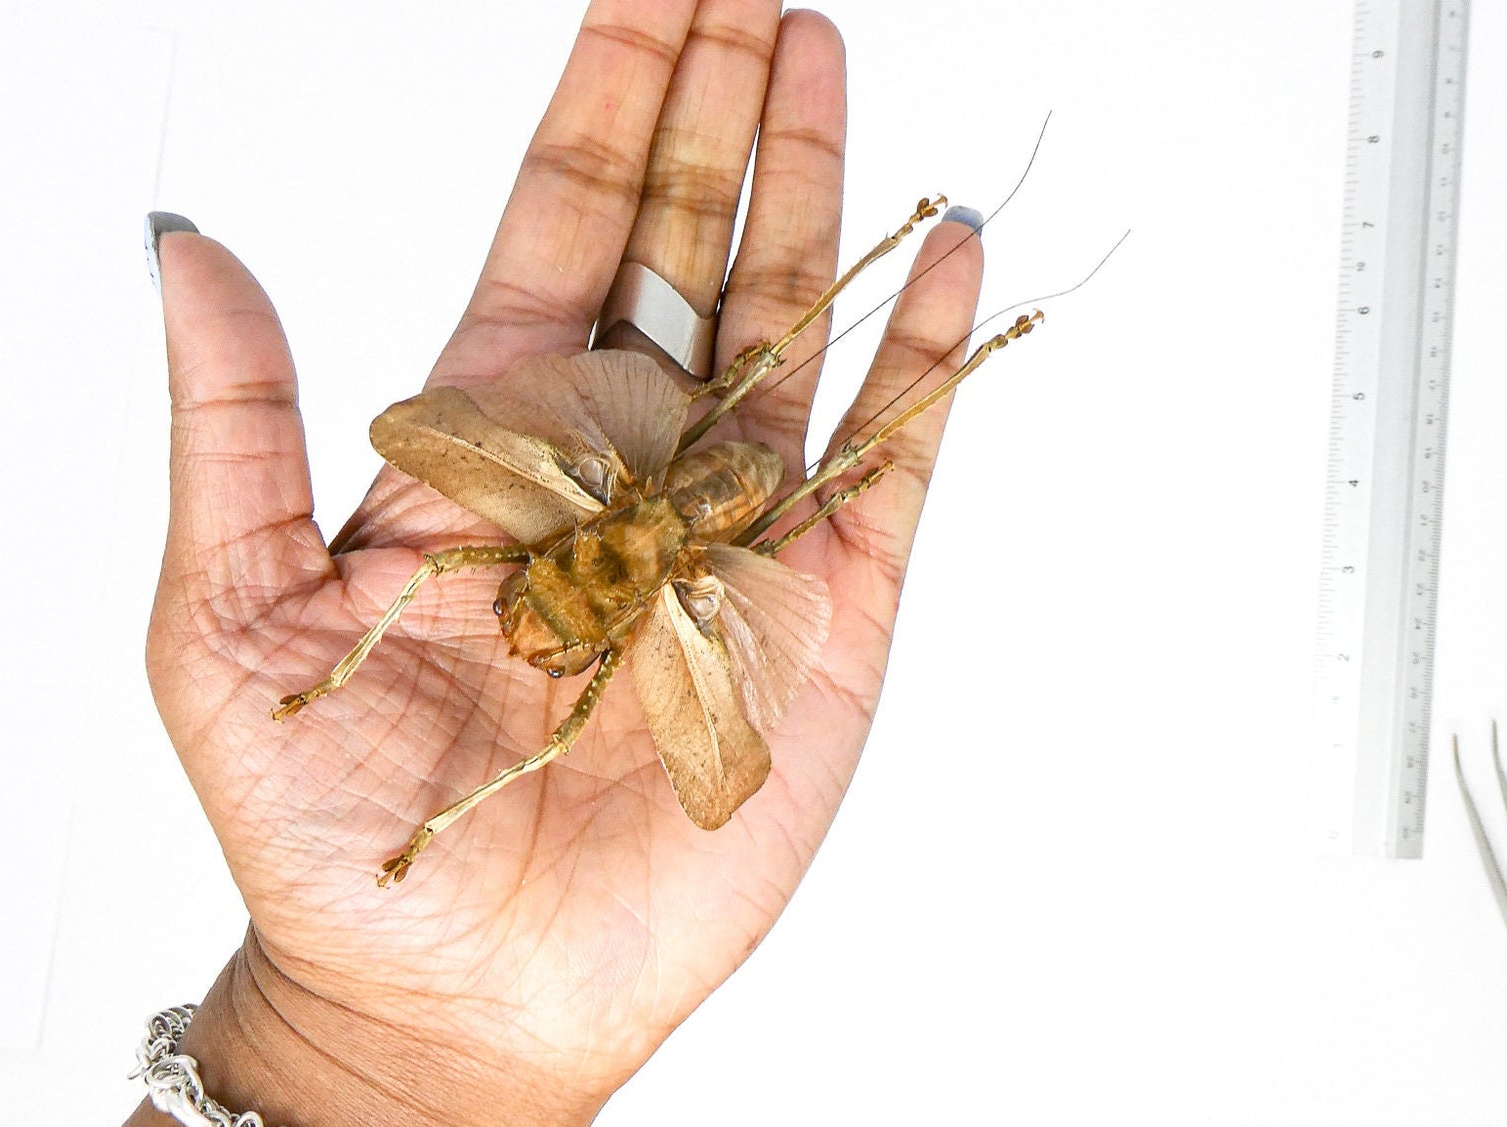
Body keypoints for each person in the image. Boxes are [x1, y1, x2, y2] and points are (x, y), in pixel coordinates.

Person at [133, 2, 985, 1123]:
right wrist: (352, 1028)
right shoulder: (579, 583)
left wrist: (337, 1038)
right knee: (761, 411)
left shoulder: (652, 581)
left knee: (752, 386)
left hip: (673, 528)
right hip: (661, 532)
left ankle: (901, 258)